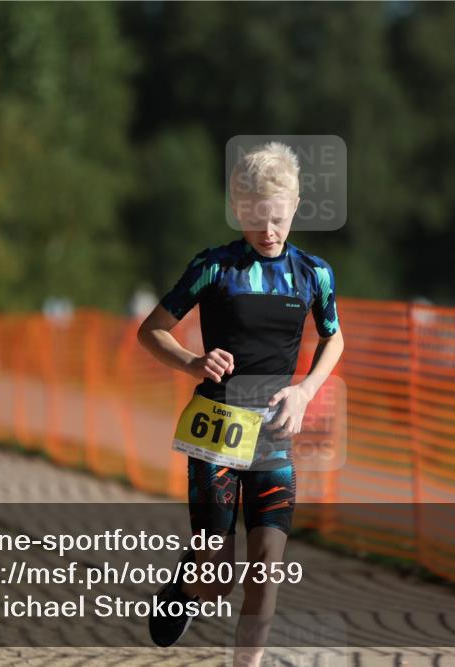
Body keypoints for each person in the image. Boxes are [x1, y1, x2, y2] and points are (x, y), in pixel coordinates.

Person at [137, 142, 344, 666]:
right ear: (237, 209)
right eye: (255, 219)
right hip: (218, 431)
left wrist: (304, 390)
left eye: (277, 218)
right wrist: (190, 362)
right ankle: (187, 590)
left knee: (266, 571)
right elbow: (152, 330)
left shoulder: (314, 273)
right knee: (219, 577)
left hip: (274, 435)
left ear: (295, 207)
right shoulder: (214, 267)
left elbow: (333, 338)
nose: (268, 231)